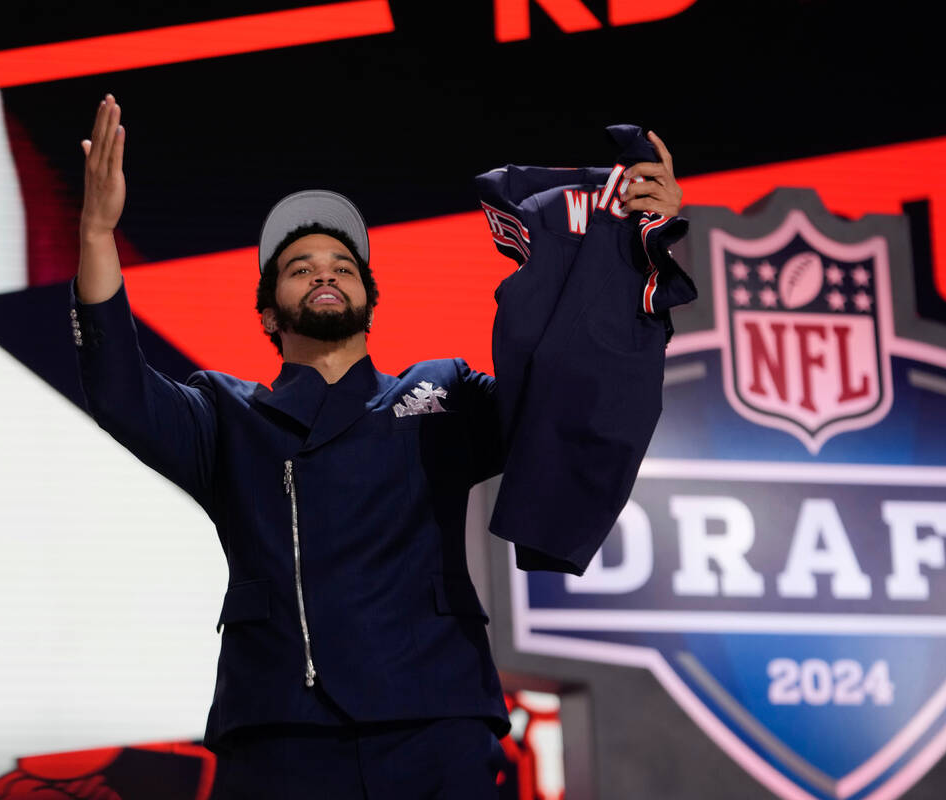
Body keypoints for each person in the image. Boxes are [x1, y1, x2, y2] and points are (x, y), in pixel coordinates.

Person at [72, 94, 684, 798]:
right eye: (300, 267)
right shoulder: (224, 415)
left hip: (434, 723)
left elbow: (567, 381)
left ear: (369, 298)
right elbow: (119, 392)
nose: (325, 272)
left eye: (343, 264)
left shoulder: (441, 392)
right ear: (269, 312)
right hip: (281, 729)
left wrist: (635, 250)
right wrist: (95, 237)